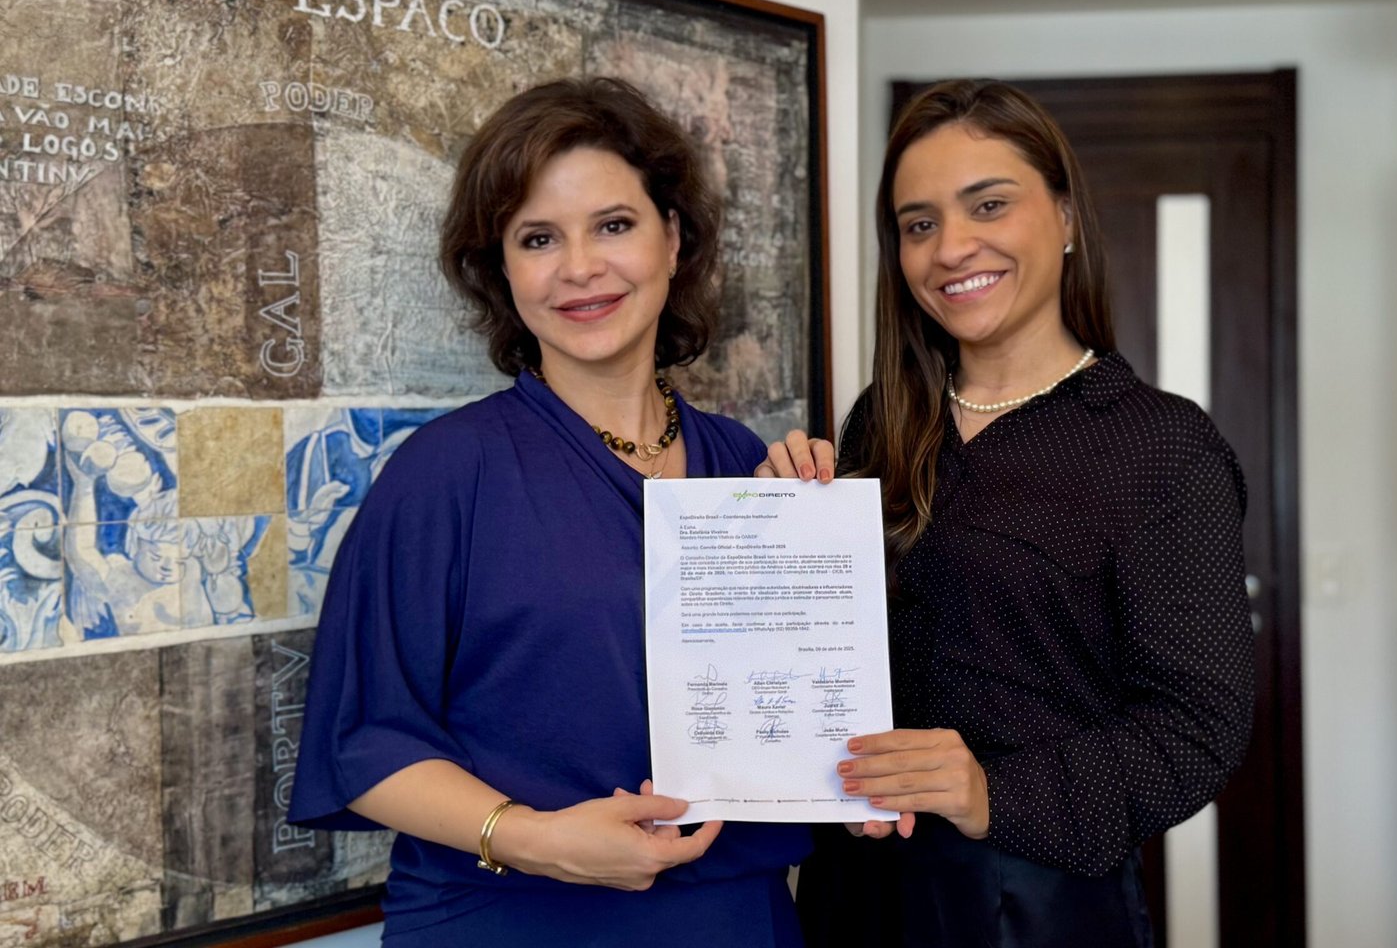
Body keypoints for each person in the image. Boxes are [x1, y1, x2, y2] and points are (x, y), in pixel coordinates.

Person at [288, 77, 829, 946]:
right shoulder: (444, 473)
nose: (580, 267)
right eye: (539, 238)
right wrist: (534, 840)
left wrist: (818, 542)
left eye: (613, 225)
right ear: (502, 268)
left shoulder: (746, 468)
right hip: (508, 919)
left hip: (736, 919)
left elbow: (791, 720)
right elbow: (365, 740)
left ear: (672, 239)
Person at [785, 79, 1256, 948]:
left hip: (1037, 905)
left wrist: (991, 792)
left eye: (989, 205)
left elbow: (1198, 728)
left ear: (1066, 216)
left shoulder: (1161, 446)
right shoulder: (881, 422)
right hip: (854, 889)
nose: (951, 247)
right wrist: (781, 525)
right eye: (919, 224)